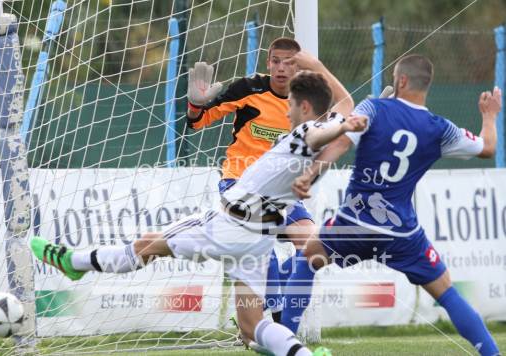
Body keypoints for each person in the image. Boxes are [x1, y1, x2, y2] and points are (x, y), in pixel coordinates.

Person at [29, 71, 367, 356]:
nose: (288, 110)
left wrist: (340, 127)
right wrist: (323, 81)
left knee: (146, 246)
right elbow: (345, 106)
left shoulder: (304, 132)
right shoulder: (325, 124)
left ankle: (73, 263)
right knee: (252, 328)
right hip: (258, 241)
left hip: (230, 225)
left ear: (304, 106)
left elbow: (321, 131)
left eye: (292, 104)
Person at [280, 54, 502, 356]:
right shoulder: (440, 128)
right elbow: (488, 148)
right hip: (401, 233)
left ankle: (284, 344)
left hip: (355, 221)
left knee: (307, 259)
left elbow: (342, 142)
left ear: (401, 80)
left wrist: (309, 174)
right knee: (447, 292)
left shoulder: (374, 107)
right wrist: (489, 116)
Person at [186, 37, 354, 321]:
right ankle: (277, 325)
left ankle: (270, 314)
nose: (281, 68)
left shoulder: (309, 99)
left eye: (289, 62)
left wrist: (372, 116)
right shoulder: (248, 88)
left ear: (300, 65)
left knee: (313, 250)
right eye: (276, 61)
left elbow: (341, 118)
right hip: (240, 182)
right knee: (264, 251)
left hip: (282, 191)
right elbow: (198, 121)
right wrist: (194, 104)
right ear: (268, 61)